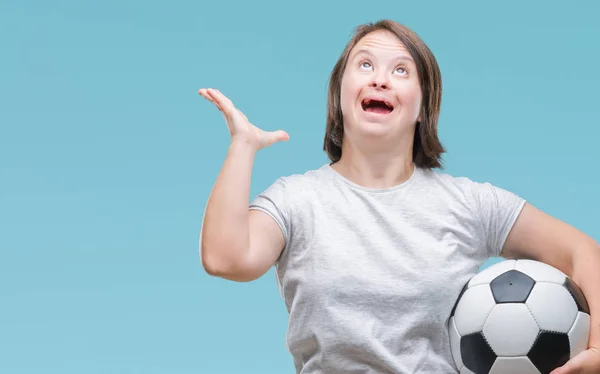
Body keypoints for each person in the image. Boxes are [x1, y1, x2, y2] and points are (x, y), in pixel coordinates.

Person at [198, 19, 600, 374]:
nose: (380, 79)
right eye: (365, 64)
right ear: (341, 93)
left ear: (424, 106)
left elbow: (583, 252)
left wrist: (599, 348)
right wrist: (242, 147)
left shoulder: (470, 204)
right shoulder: (296, 199)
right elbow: (225, 258)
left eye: (401, 70)